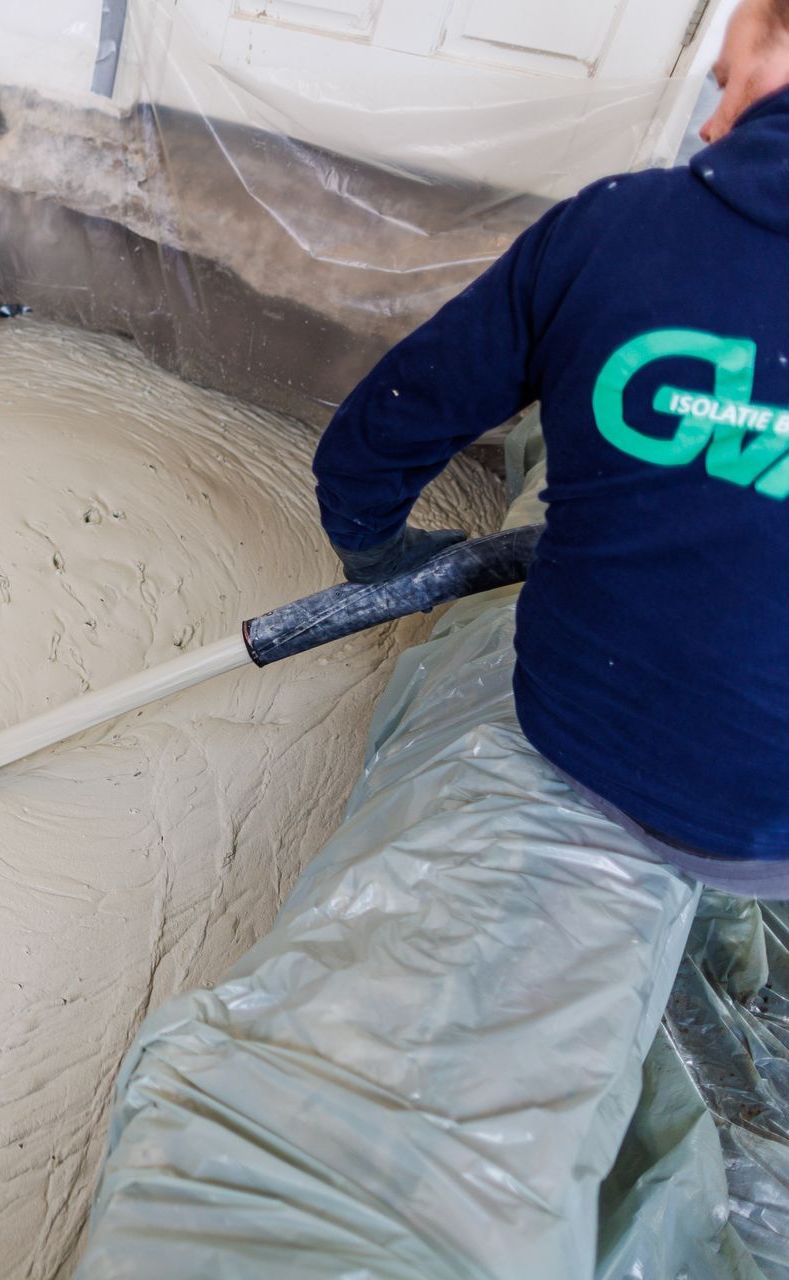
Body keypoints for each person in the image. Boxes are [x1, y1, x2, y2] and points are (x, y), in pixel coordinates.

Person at [311, 0, 789, 893]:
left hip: (576, 733)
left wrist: (374, 551)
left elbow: (379, 434)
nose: (714, 125)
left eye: (727, 83)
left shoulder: (617, 229)